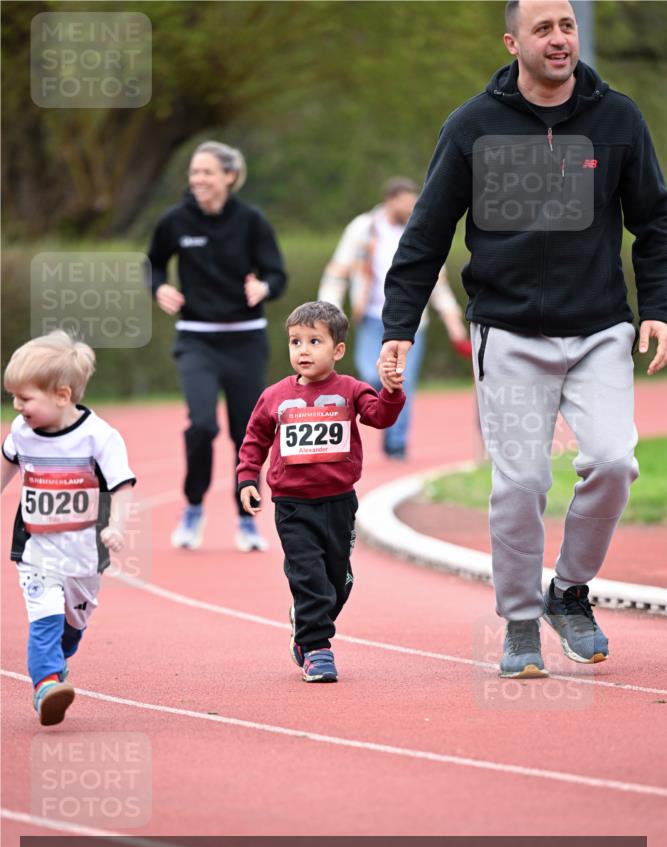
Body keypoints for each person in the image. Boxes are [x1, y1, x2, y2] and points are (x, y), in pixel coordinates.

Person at [379, 0, 667, 678]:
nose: (559, 38)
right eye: (543, 28)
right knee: (519, 483)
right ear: (513, 43)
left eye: (566, 26)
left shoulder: (617, 119)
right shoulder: (471, 127)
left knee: (612, 461)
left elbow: (654, 223)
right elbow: (425, 235)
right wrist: (398, 327)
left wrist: (656, 305)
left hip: (598, 329)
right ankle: (517, 623)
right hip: (506, 333)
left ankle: (567, 591)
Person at [237, 301, 405, 682]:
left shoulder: (350, 389)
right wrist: (248, 478)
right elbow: (255, 439)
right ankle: (316, 649)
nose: (304, 350)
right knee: (308, 575)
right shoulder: (274, 396)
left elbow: (380, 416)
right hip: (292, 505)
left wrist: (391, 391)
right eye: (296, 342)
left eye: (315, 341)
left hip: (339, 502)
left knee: (338, 583)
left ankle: (307, 621)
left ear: (338, 350)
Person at [147, 140, 287, 552]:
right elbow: (152, 262)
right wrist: (160, 288)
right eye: (194, 172)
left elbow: (277, 275)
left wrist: (263, 286)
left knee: (247, 434)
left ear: (230, 176)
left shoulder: (251, 221)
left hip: (245, 340)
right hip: (197, 339)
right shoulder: (175, 221)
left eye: (207, 172)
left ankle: (246, 519)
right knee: (202, 425)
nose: (198, 180)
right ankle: (192, 508)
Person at [2, 331, 136, 726]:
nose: (16, 406)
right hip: (36, 549)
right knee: (43, 618)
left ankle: (57, 665)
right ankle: (44, 685)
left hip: (85, 551)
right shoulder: (22, 431)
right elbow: (7, 460)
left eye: (25, 398)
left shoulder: (100, 437)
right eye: (14, 397)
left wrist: (117, 526)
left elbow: (122, 485)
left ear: (62, 395)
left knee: (72, 627)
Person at [318, 177, 469, 459]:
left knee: (402, 381)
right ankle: (378, 414)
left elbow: (435, 279)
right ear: (390, 201)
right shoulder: (363, 229)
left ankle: (396, 444)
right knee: (368, 375)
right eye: (407, 204)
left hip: (412, 322)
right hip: (372, 318)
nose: (412, 209)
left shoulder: (420, 229)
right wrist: (329, 312)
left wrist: (451, 318)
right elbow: (337, 272)